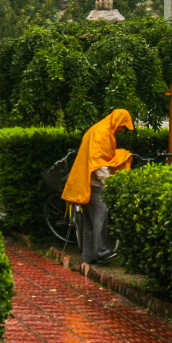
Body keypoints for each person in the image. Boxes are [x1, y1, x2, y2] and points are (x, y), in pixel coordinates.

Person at [62, 109, 133, 264]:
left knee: (89, 220)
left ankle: (88, 257)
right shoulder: (103, 133)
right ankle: (101, 251)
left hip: (85, 181)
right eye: (123, 126)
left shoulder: (100, 129)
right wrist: (109, 184)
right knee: (101, 214)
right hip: (94, 182)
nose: (122, 130)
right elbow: (99, 164)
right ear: (117, 121)